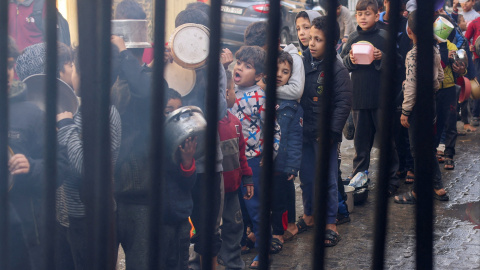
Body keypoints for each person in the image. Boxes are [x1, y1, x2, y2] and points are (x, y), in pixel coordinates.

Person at [169, 8, 228, 270]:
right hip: (173, 161)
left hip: (207, 161)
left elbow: (221, 110)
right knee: (175, 222)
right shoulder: (166, 63)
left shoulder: (213, 65)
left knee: (208, 226)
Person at [54, 45, 122, 270]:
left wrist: (65, 126)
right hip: (78, 215)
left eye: (73, 67)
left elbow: (87, 166)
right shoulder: (85, 109)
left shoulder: (104, 114)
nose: (71, 73)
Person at [297, 16, 352, 247]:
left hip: (324, 135)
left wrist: (331, 132)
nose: (311, 43)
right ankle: (309, 215)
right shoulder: (302, 62)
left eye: (317, 40)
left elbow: (343, 103)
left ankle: (330, 222)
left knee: (328, 179)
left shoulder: (336, 69)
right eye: (310, 38)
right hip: (305, 132)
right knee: (307, 178)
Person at [340, 0, 400, 196]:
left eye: (367, 13)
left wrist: (382, 56)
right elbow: (343, 63)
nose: (363, 17)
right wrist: (350, 59)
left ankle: (391, 180)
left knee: (386, 141)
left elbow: (398, 62)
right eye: (359, 14)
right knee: (361, 144)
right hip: (359, 98)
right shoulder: (354, 37)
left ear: (377, 15)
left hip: (381, 98)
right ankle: (359, 179)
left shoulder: (384, 35)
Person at [229, 45, 280, 268]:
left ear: (259, 75)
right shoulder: (229, 90)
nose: (239, 68)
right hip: (231, 158)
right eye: (238, 63)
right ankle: (243, 241)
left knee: (255, 206)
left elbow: (273, 129)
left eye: (247, 66)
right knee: (236, 206)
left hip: (252, 161)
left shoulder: (260, 97)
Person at [395, 10, 449, 204]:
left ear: (409, 31)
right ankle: (438, 187)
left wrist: (405, 111)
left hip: (417, 107)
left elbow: (410, 86)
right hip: (432, 102)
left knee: (417, 150)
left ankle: (418, 192)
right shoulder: (433, 50)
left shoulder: (413, 55)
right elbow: (441, 76)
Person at [217, 70, 254, 270]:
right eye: (230, 90)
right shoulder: (208, 124)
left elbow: (242, 156)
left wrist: (247, 178)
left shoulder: (236, 124)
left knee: (234, 225)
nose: (232, 95)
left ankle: (232, 262)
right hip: (213, 189)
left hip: (232, 189)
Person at [159, 89, 198, 270]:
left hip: (181, 217)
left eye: (178, 111)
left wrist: (187, 160)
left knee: (180, 263)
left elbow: (189, 183)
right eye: (169, 111)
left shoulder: (184, 145)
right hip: (158, 220)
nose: (174, 116)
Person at [270, 51, 303, 252]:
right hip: (262, 161)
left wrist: (292, 165)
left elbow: (295, 139)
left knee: (280, 201)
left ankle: (278, 232)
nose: (279, 74)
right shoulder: (261, 97)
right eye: (276, 69)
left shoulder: (293, 108)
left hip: (281, 165)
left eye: (285, 72)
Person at [435, 15, 467, 171]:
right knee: (434, 123)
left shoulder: (452, 47)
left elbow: (462, 67)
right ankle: (433, 152)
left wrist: (460, 68)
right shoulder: (428, 45)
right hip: (432, 90)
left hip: (449, 88)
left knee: (450, 123)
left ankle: (449, 155)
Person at [465, 14, 480, 128]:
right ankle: (475, 114)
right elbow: (466, 39)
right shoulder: (474, 23)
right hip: (478, 58)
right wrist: (470, 45)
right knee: (478, 85)